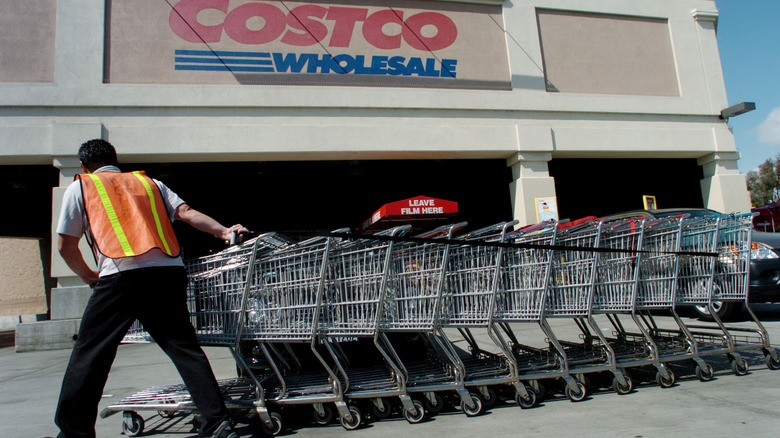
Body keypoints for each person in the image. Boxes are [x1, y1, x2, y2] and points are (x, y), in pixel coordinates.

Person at [54, 139, 247, 438]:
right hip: (168, 274)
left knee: (91, 354)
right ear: (115, 160)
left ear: (84, 166)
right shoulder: (150, 183)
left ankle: (74, 432)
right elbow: (186, 213)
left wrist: (89, 276)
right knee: (184, 349)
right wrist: (223, 230)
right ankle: (217, 422)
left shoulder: (81, 187)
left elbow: (65, 246)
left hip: (120, 276)